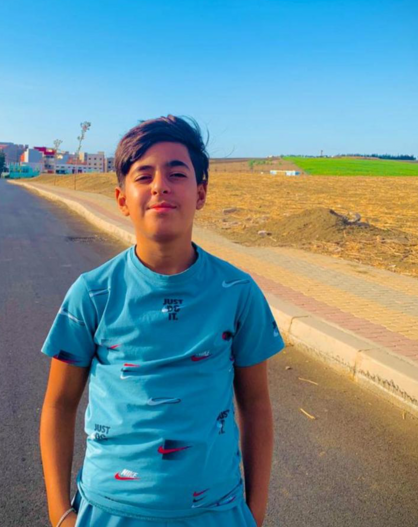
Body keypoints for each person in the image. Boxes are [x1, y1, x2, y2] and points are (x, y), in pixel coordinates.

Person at [40, 116, 284, 527]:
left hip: (216, 513)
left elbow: (256, 405)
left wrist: (253, 513)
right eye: (144, 176)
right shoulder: (93, 293)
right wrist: (59, 513)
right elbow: (58, 404)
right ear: (122, 199)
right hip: (108, 512)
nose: (160, 186)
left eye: (177, 173)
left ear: (200, 192)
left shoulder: (237, 292)